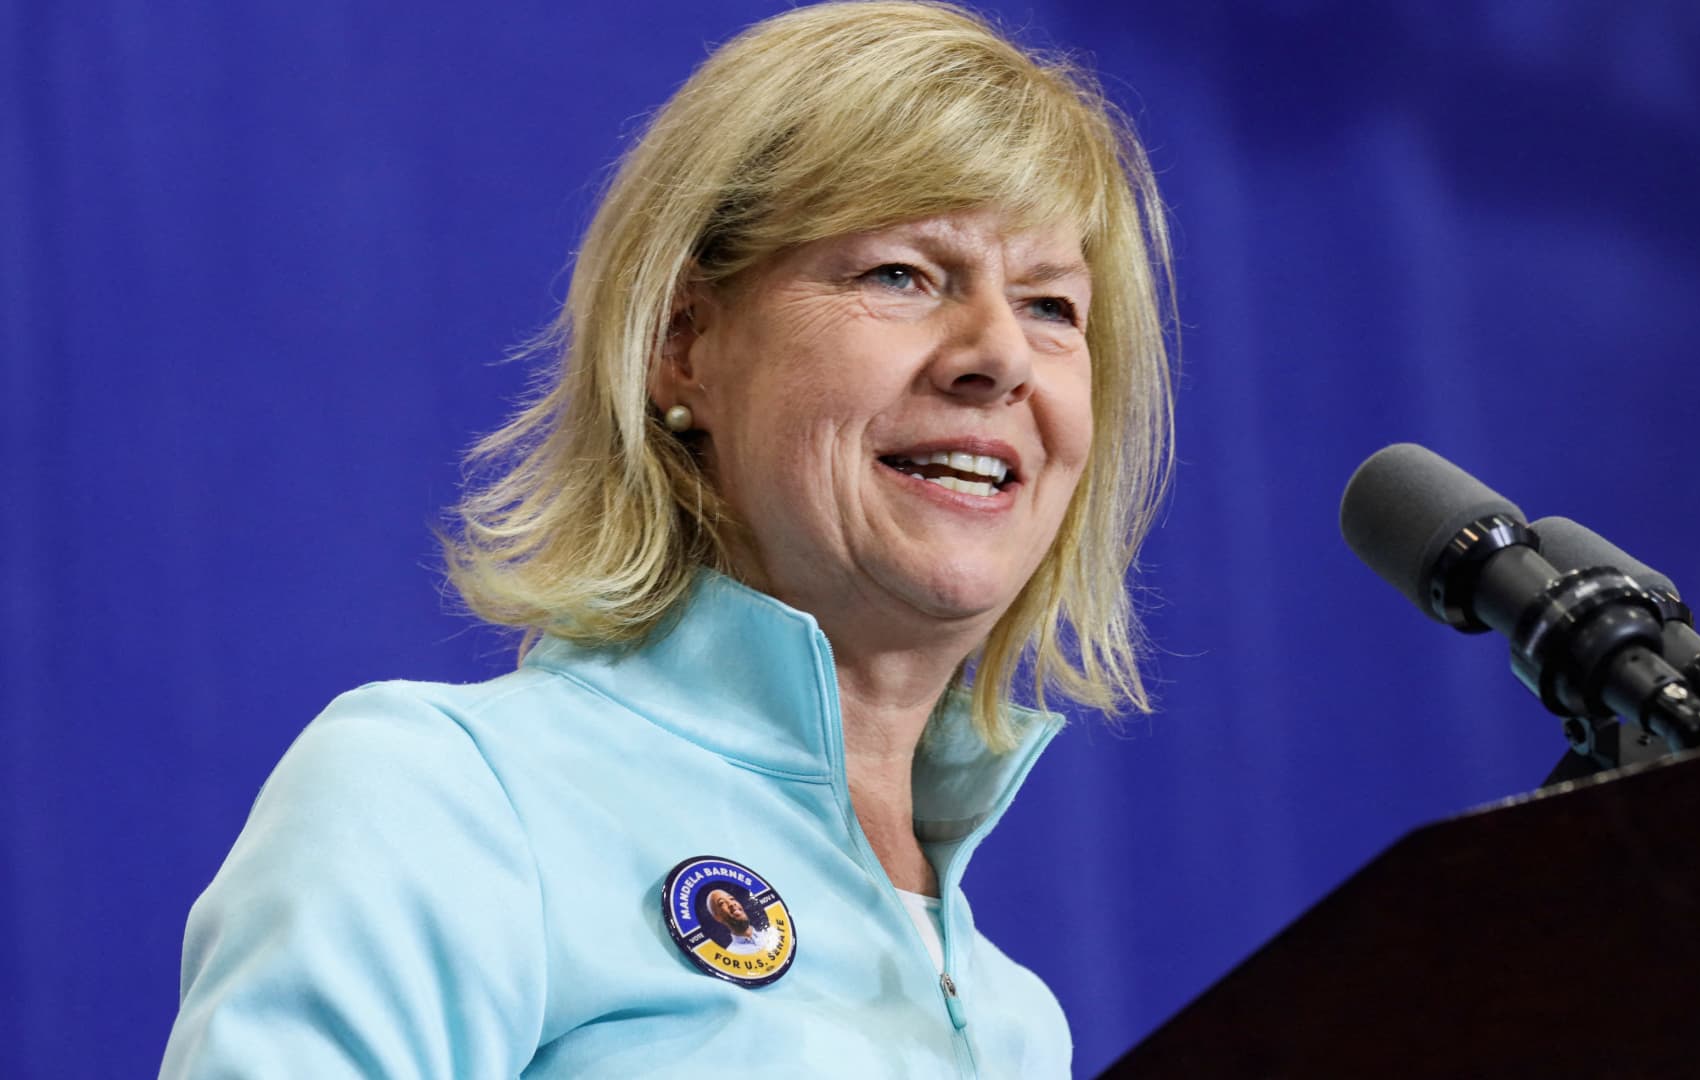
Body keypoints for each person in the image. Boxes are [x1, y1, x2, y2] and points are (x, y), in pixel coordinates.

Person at [160, 1, 1173, 1075]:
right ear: (683, 344)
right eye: (902, 275)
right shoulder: (449, 799)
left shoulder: (1021, 1024)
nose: (1000, 356)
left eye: (1052, 306)